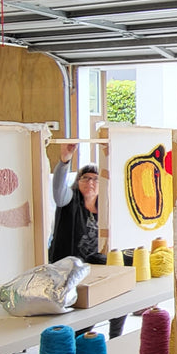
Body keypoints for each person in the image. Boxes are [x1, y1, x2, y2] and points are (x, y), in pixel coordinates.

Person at [49, 144, 125, 339]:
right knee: (84, 318)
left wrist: (111, 156)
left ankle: (115, 338)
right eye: (85, 178)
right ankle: (82, 341)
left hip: (97, 265)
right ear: (78, 181)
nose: (90, 182)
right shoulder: (69, 200)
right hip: (70, 269)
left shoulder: (106, 205)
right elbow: (58, 190)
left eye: (95, 178)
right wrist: (65, 160)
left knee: (119, 296)